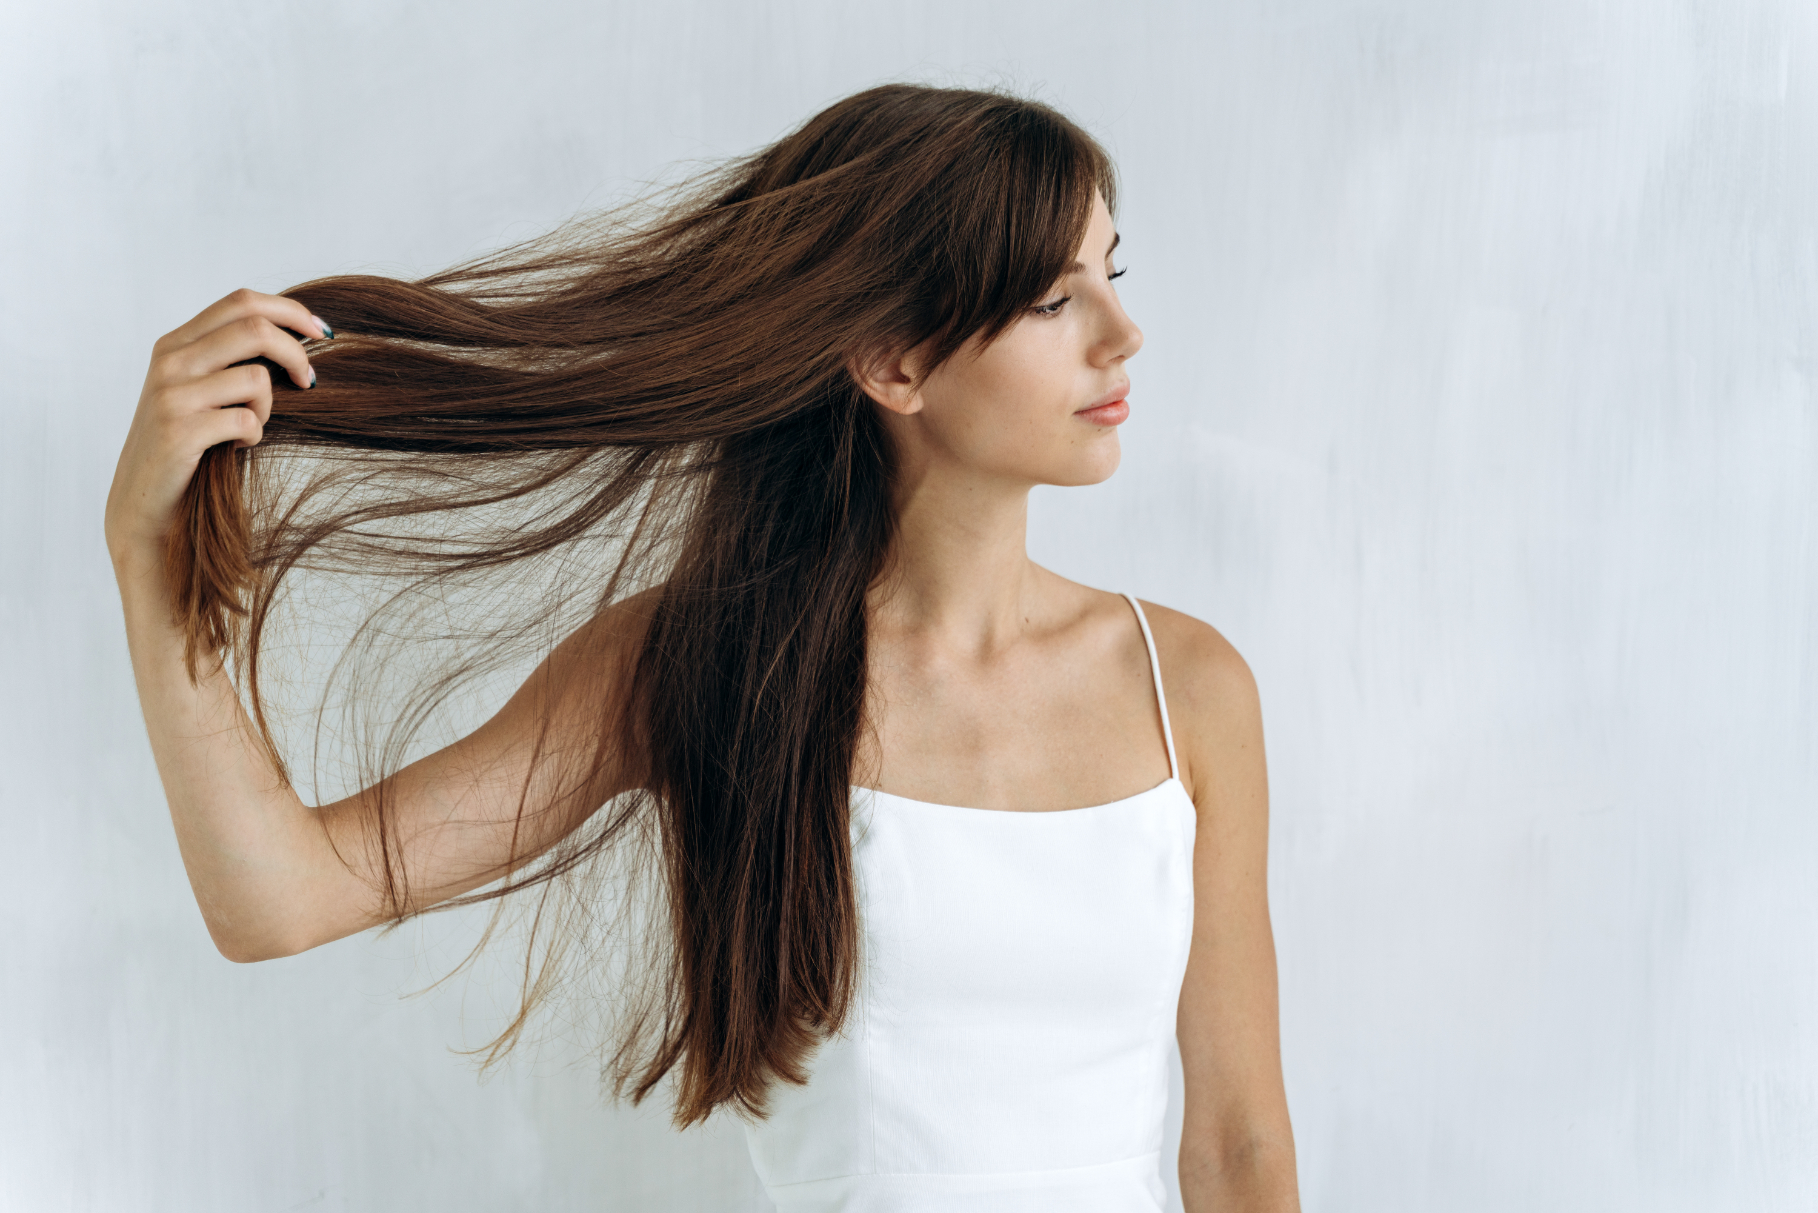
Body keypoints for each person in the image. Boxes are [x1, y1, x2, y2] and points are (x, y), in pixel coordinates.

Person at [104, 84, 1300, 1212]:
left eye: (1112, 272)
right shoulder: (705, 664)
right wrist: (144, 558)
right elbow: (282, 899)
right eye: (1055, 298)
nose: (1125, 333)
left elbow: (1238, 1140)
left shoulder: (1185, 686)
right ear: (892, 362)